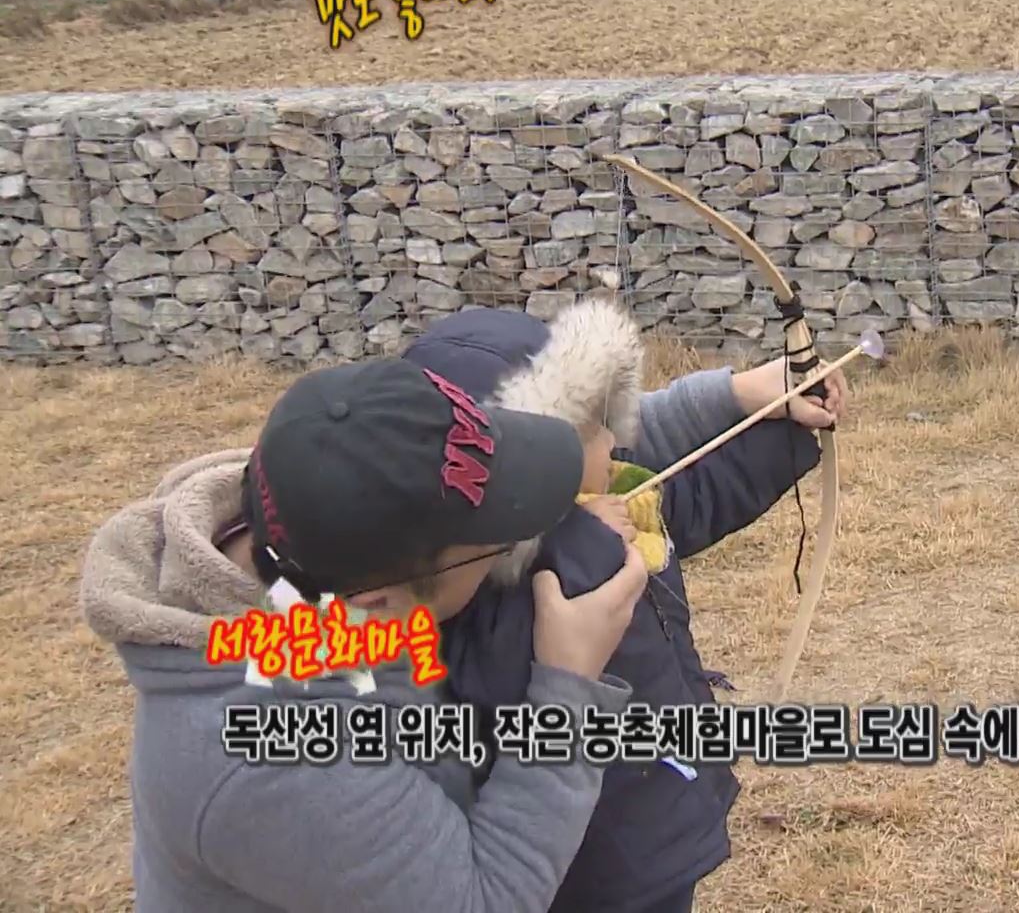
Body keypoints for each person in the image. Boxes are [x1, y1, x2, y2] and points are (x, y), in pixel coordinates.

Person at [75, 337, 812, 912]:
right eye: (505, 543)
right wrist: (568, 688)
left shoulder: (328, 491)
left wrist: (733, 395)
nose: (544, 528)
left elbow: (559, 453)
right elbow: (481, 898)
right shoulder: (278, 762)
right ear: (378, 611)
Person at [401, 299, 849, 913]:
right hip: (595, 859)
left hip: (659, 805)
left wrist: (783, 430)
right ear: (520, 467)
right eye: (593, 426)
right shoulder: (534, 581)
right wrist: (583, 543)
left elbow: (688, 499)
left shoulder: (604, 512)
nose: (615, 437)